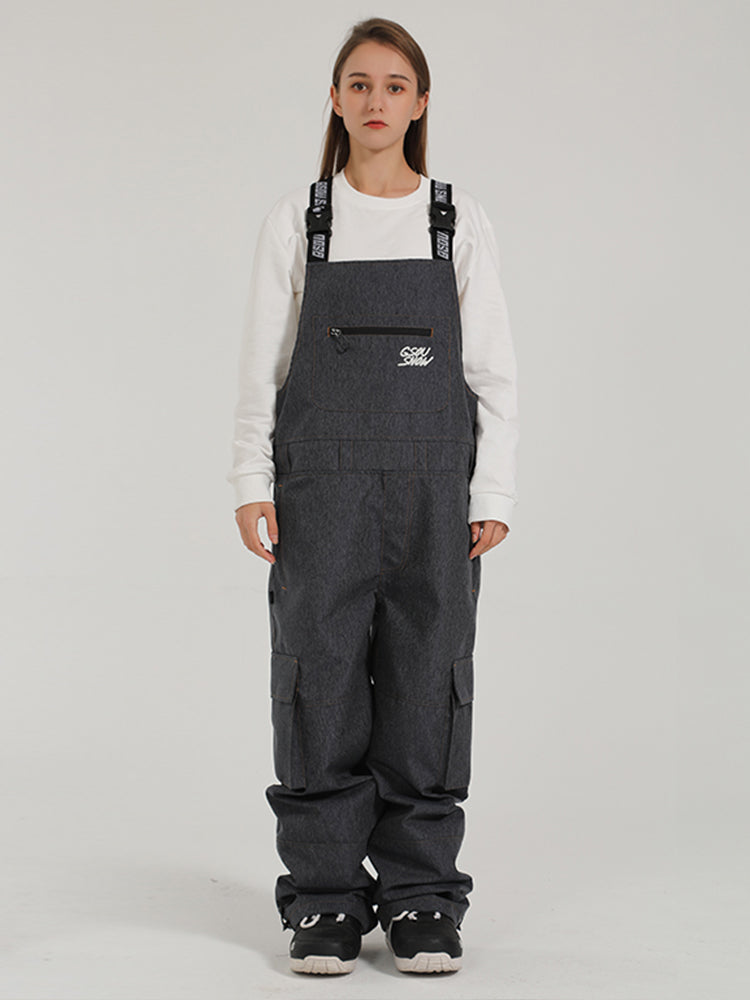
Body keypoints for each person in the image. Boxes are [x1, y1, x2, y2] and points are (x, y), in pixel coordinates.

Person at [227, 16, 519, 977]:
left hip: (437, 495)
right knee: (319, 686)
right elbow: (263, 368)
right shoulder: (301, 220)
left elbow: (493, 373)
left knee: (429, 685)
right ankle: (323, 898)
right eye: (359, 84)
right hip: (320, 494)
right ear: (336, 99)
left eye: (395, 85)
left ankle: (423, 895)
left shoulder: (454, 220)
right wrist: (251, 479)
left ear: (421, 103)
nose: (376, 100)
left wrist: (494, 486)